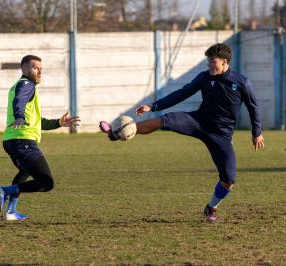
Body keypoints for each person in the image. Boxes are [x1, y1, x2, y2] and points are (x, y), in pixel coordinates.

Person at [100, 43, 265, 223]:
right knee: (163, 120)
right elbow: (181, 93)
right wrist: (153, 106)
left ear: (225, 62)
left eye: (213, 61)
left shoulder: (242, 82)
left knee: (229, 179)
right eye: (208, 61)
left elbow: (253, 107)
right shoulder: (204, 77)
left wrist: (257, 132)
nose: (209, 65)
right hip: (197, 121)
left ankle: (211, 207)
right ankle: (119, 133)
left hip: (221, 134)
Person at [0, 55, 80, 221]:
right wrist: (19, 116)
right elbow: (20, 101)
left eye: (41, 69)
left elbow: (37, 122)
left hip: (13, 140)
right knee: (46, 183)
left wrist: (58, 123)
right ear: (25, 69)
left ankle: (11, 211)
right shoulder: (27, 85)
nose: (39, 71)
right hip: (22, 141)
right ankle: (3, 190)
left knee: (24, 172)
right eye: (35, 68)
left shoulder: (19, 86)